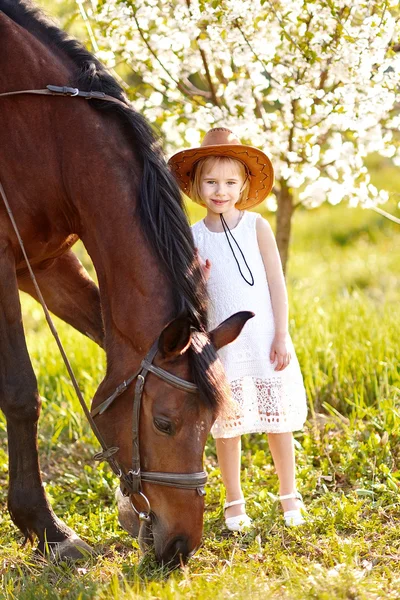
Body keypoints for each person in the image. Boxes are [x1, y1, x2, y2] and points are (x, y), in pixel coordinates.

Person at [169, 128, 307, 531]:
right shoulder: (192, 237)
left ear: (244, 185)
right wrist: (198, 278)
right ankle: (234, 500)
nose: (220, 190)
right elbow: (193, 298)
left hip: (264, 339)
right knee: (227, 424)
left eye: (230, 182)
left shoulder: (256, 227)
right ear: (196, 185)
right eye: (211, 182)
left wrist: (282, 333)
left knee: (276, 418)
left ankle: (289, 495)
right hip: (223, 345)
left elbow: (276, 283)